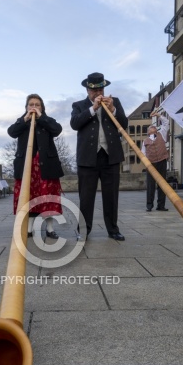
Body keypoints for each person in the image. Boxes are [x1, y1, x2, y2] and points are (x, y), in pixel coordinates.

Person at [70, 72, 128, 241]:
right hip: (88, 158)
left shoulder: (114, 102)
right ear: (88, 90)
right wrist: (93, 109)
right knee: (86, 197)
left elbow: (124, 124)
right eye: (94, 90)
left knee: (111, 196)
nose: (98, 93)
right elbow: (74, 124)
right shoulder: (79, 105)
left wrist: (113, 110)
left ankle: (113, 229)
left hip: (110, 156)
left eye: (100, 90)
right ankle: (84, 230)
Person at [8, 94, 65, 239]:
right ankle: (29, 229)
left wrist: (41, 118)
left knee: (48, 197)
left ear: (42, 107)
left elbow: (57, 130)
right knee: (29, 197)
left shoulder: (47, 120)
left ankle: (50, 229)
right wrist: (24, 120)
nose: (34, 107)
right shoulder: (22, 121)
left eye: (37, 104)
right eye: (31, 104)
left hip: (46, 166)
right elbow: (11, 132)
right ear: (26, 107)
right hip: (27, 166)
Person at [142, 107, 170, 211]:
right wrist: (147, 164)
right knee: (150, 186)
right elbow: (143, 154)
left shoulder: (162, 134)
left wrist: (158, 115)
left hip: (162, 161)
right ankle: (149, 206)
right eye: (151, 127)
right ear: (148, 132)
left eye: (154, 126)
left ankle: (161, 206)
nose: (153, 127)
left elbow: (166, 122)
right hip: (151, 164)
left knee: (162, 184)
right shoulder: (145, 141)